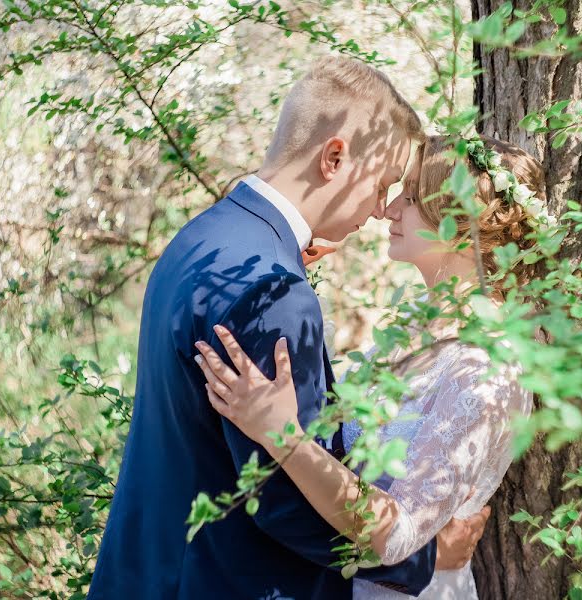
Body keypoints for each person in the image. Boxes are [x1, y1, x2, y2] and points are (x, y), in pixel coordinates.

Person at [87, 58, 489, 600]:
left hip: (147, 569)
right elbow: (281, 501)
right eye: (382, 185)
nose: (379, 210)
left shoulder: (207, 238)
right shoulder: (273, 292)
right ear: (335, 157)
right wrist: (425, 556)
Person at [194, 133, 548, 599]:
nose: (389, 207)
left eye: (414, 196)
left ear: (464, 228)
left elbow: (396, 533)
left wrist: (283, 435)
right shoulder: (416, 322)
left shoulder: (486, 371)